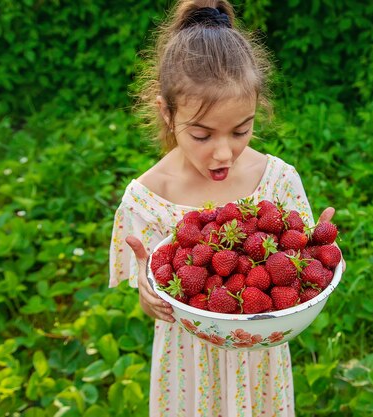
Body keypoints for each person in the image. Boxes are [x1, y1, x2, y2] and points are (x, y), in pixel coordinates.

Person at [109, 1, 342, 415]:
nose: (223, 152)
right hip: (188, 366)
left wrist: (317, 246)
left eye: (241, 130)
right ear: (167, 113)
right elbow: (153, 298)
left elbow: (302, 266)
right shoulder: (147, 197)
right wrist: (149, 296)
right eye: (201, 134)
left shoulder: (277, 180)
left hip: (260, 363)